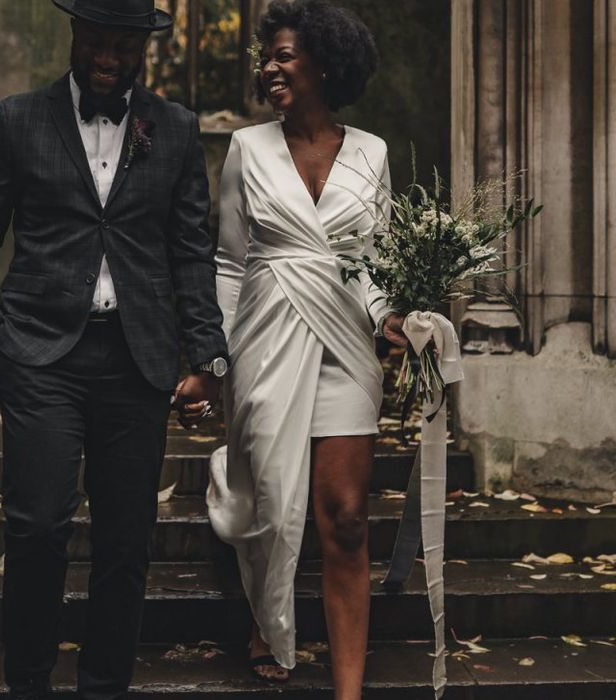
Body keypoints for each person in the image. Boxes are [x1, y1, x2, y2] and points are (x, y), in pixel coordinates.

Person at [0, 1, 228, 698]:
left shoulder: (175, 129)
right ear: (76, 36)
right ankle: (29, 683)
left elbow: (192, 252)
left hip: (137, 364)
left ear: (143, 49)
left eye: (123, 44)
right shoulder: (17, 120)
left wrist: (206, 357)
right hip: (40, 356)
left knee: (126, 543)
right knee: (38, 526)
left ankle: (105, 685)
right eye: (97, 40)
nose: (108, 56)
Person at [206, 1, 407, 696]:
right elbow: (231, 263)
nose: (270, 68)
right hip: (264, 338)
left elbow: (376, 262)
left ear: (326, 61)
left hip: (345, 343)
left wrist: (390, 320)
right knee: (272, 501)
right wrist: (218, 358)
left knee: (346, 518)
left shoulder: (373, 152)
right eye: (268, 58)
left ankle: (348, 689)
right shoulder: (247, 150)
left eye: (285, 55)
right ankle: (268, 616)